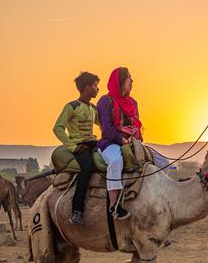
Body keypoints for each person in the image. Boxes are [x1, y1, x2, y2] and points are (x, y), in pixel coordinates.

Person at [53, 71, 101, 225]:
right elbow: (58, 128)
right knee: (86, 169)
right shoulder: (71, 107)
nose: (97, 89)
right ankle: (76, 211)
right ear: (87, 87)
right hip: (81, 146)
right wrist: (73, 147)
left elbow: (103, 125)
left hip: (94, 143)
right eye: (95, 86)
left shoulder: (93, 108)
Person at [96, 67, 142, 220]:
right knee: (116, 161)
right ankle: (114, 206)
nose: (132, 80)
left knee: (160, 161)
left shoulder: (133, 102)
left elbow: (136, 124)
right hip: (111, 143)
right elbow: (107, 129)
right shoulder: (105, 101)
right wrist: (123, 140)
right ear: (120, 81)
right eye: (129, 77)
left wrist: (136, 140)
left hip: (131, 142)